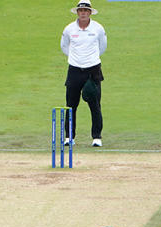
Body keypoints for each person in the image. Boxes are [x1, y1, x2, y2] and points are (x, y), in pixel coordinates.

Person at [60, 1, 106, 148]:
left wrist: (90, 59)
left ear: (90, 12)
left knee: (95, 104)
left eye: (86, 10)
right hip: (74, 70)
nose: (83, 13)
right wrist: (76, 59)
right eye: (81, 10)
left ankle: (97, 137)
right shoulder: (69, 29)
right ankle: (69, 137)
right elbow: (64, 46)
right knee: (71, 104)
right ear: (77, 12)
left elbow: (102, 47)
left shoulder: (98, 28)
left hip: (93, 70)